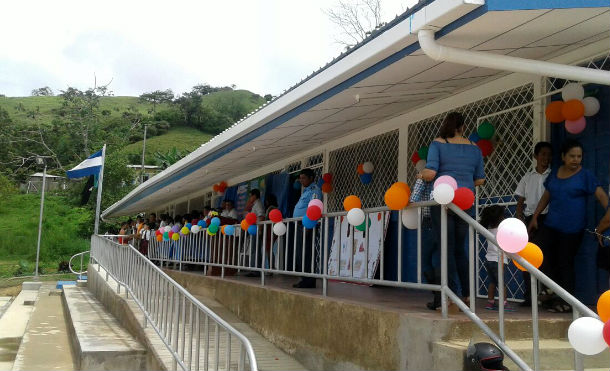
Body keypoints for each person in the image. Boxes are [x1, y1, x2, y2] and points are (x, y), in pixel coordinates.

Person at [529, 139, 609, 313]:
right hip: (551, 224)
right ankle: (550, 289)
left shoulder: (585, 175)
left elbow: (602, 197)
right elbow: (546, 196)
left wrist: (607, 218)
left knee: (565, 263)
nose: (576, 160)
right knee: (538, 250)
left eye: (579, 156)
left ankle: (566, 302)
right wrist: (535, 216)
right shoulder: (555, 173)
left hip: (572, 228)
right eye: (572, 156)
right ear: (564, 157)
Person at [421, 111, 485, 309]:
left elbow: (431, 173)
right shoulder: (475, 148)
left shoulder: (438, 143)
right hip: (465, 202)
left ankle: (449, 297)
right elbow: (480, 179)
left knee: (444, 249)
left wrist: (420, 174)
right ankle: (466, 295)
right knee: (459, 250)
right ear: (463, 127)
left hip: (443, 203)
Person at [515, 141, 552, 306]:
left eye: (548, 155)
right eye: (543, 154)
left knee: (545, 257)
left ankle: (546, 295)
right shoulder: (527, 177)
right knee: (527, 256)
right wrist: (519, 217)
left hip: (547, 219)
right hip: (530, 219)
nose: (546, 157)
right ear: (536, 156)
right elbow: (520, 200)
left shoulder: (552, 176)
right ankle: (529, 296)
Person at [410, 176, 439, 310]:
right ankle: (444, 295)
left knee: (425, 261)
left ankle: (438, 295)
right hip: (448, 221)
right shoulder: (447, 174)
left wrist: (421, 178)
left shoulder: (425, 177)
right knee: (443, 260)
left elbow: (414, 199)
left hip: (430, 221)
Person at [292, 168, 323, 288]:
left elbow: (314, 208)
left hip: (308, 225)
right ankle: (304, 278)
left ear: (311, 178)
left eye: (303, 178)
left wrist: (308, 227)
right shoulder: (305, 191)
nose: (301, 180)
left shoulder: (314, 190)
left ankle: (308, 281)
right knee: (301, 253)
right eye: (300, 178)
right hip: (301, 225)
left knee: (307, 253)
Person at [480, 205, 514, 311]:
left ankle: (490, 302)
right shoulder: (502, 230)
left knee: (492, 282)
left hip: (489, 259)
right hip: (499, 260)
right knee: (502, 283)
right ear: (500, 217)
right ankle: (504, 303)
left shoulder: (489, 229)